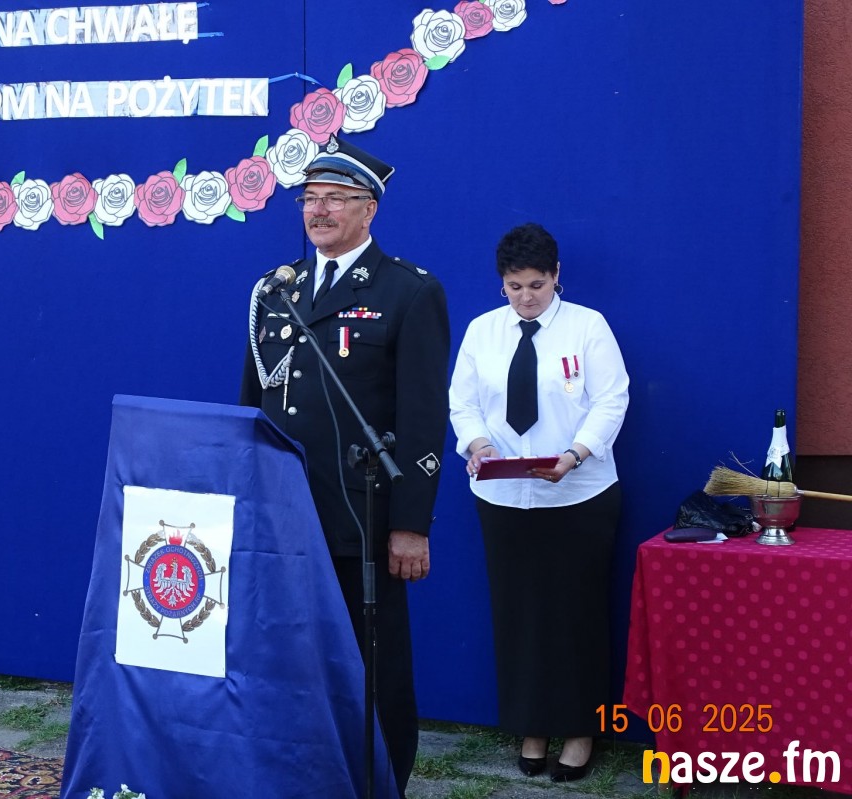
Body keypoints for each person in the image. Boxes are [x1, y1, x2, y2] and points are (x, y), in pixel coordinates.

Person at [240, 136, 450, 797]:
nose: (319, 210)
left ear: (369, 209)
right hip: (283, 516)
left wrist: (410, 524)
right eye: (310, 198)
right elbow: (252, 407)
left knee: (373, 671)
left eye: (335, 198)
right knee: (287, 661)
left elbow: (422, 417)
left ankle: (382, 784)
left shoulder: (408, 291)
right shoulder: (277, 290)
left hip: (362, 520)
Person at [447, 222, 629, 782]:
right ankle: (532, 726)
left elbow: (611, 399)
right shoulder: (482, 331)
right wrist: (477, 444)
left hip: (578, 495)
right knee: (518, 614)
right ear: (501, 283)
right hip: (503, 498)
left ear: (556, 277)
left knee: (576, 614)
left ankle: (579, 730)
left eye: (537, 285)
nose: (526, 298)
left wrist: (575, 454)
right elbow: (462, 404)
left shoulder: (587, 327)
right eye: (514, 287)